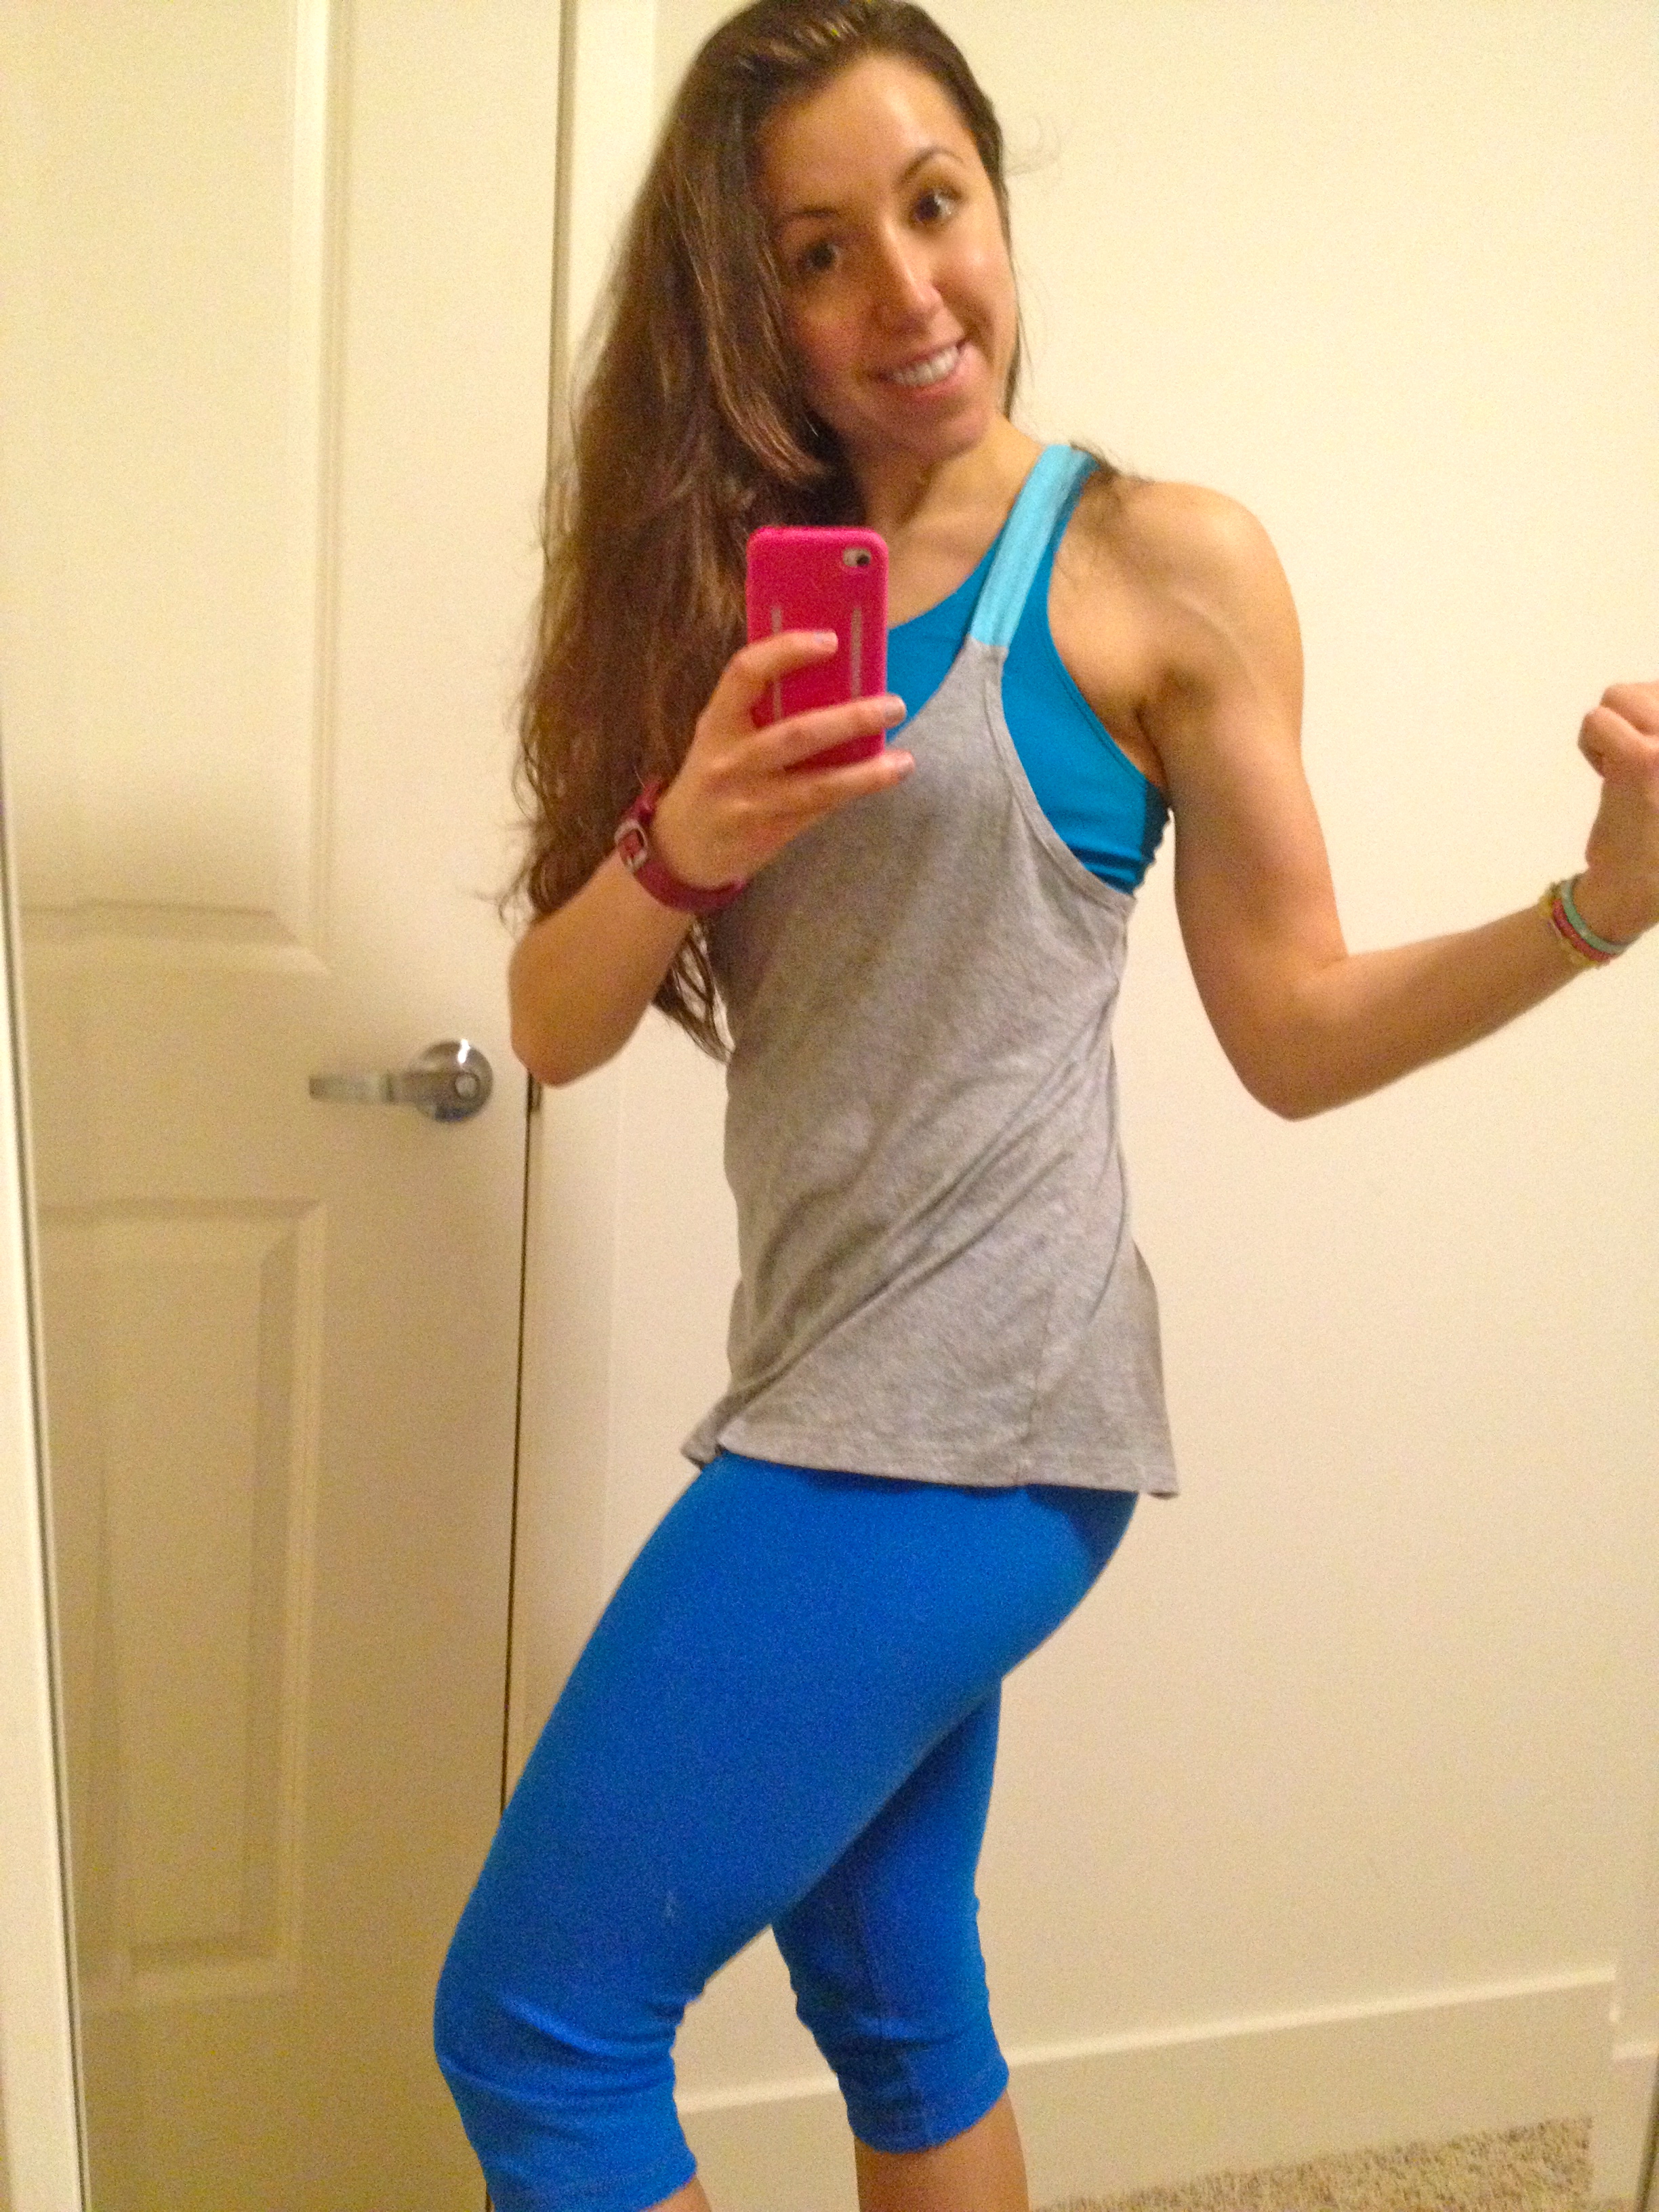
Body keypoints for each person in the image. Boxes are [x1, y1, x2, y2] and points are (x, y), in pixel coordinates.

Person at [433, 5, 1659, 2209]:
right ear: (747, 303)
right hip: (819, 1374)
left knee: (537, 2029)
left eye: (937, 206)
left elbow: (1294, 1029)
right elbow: (550, 1023)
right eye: (818, 253)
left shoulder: (1159, 565)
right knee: (897, 1994)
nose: (906, 292)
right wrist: (682, 841)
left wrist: (1599, 908)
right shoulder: (731, 590)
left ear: (997, 202)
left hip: (988, 1409)